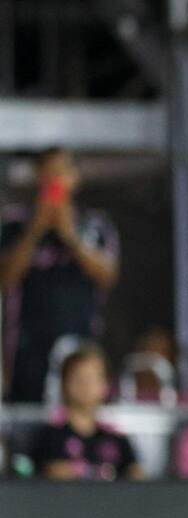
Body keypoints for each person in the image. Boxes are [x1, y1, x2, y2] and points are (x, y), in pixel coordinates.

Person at [0, 148, 119, 402]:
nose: (54, 180)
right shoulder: (15, 223)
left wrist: (70, 235)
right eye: (47, 172)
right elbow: (5, 276)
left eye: (61, 172)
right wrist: (36, 228)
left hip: (81, 346)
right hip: (26, 349)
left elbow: (107, 275)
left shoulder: (95, 225)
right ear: (37, 177)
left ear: (75, 177)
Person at [28, 343, 142, 481]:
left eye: (92, 378)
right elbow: (28, 477)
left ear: (105, 385)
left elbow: (137, 477)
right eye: (78, 378)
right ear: (64, 384)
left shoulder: (117, 439)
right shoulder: (48, 437)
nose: (85, 385)